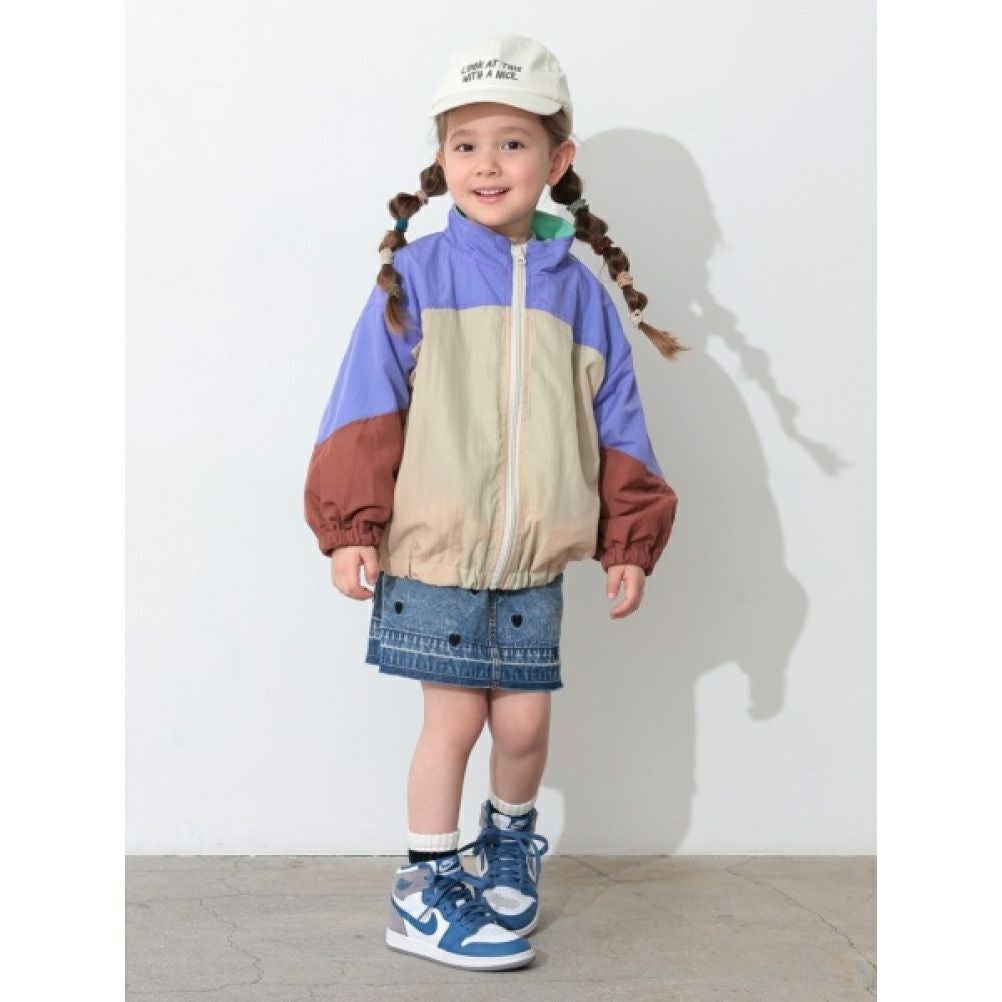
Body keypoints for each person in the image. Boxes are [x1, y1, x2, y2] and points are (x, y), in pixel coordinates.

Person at [304, 32, 681, 972]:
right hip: (433, 548)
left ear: (557, 159)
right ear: (440, 159)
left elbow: (620, 422)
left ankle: (506, 841)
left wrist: (629, 541)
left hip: (533, 559)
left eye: (512, 143)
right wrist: (350, 527)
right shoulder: (418, 276)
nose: (486, 164)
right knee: (455, 720)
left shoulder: (578, 294)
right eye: (465, 143)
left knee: (523, 723)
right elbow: (364, 404)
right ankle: (424, 889)